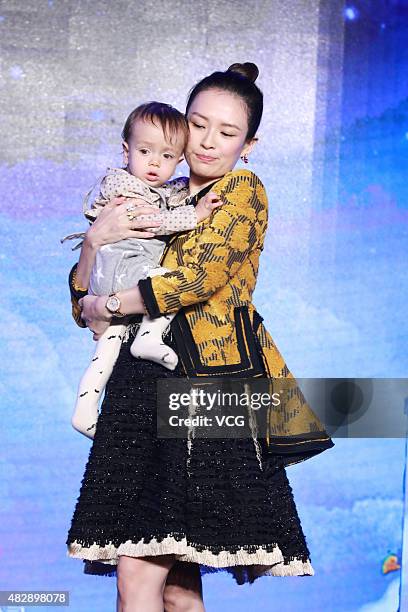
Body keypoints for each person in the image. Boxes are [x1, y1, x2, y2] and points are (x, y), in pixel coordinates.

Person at [66, 62, 334, 612]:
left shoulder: (242, 192)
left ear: (250, 144)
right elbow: (80, 298)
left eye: (228, 132)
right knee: (180, 587)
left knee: (139, 572)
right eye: (199, 124)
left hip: (206, 377)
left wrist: (106, 304)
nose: (208, 141)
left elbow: (195, 280)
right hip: (140, 381)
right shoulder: (157, 190)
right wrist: (94, 242)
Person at [62, 102, 222, 439]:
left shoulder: (158, 190)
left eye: (166, 156)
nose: (153, 162)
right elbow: (154, 221)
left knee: (105, 350)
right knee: (166, 284)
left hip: (113, 279)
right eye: (145, 151)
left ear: (179, 158)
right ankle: (148, 338)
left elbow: (171, 196)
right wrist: (196, 215)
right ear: (126, 152)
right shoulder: (125, 189)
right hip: (124, 270)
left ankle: (85, 411)